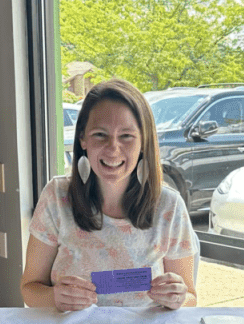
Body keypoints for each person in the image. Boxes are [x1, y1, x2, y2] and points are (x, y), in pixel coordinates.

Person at [20, 79, 197, 311]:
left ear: (143, 141)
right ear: (83, 139)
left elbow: (191, 297)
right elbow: (30, 289)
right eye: (100, 134)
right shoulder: (57, 197)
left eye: (126, 136)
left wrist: (178, 298)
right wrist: (53, 297)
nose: (113, 149)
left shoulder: (169, 206)